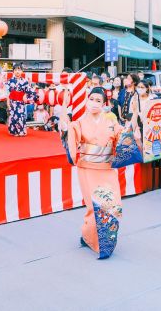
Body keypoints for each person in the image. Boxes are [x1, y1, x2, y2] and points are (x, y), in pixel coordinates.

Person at [60, 87, 139, 259]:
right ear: (87, 100)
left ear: (104, 104)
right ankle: (90, 237)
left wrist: (135, 115)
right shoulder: (79, 123)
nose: (94, 103)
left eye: (98, 101)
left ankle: (96, 238)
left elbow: (124, 134)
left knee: (112, 205)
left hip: (107, 169)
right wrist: (64, 109)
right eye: (92, 99)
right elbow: (68, 131)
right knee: (93, 206)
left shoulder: (111, 122)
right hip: (87, 169)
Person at [6, 64, 36, 136]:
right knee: (13, 116)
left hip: (21, 102)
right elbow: (7, 93)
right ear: (13, 71)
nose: (17, 72)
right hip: (12, 101)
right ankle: (13, 131)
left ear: (22, 71)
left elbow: (29, 91)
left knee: (20, 116)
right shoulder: (9, 81)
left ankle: (21, 131)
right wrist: (8, 103)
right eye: (15, 70)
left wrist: (25, 95)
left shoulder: (25, 81)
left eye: (19, 70)